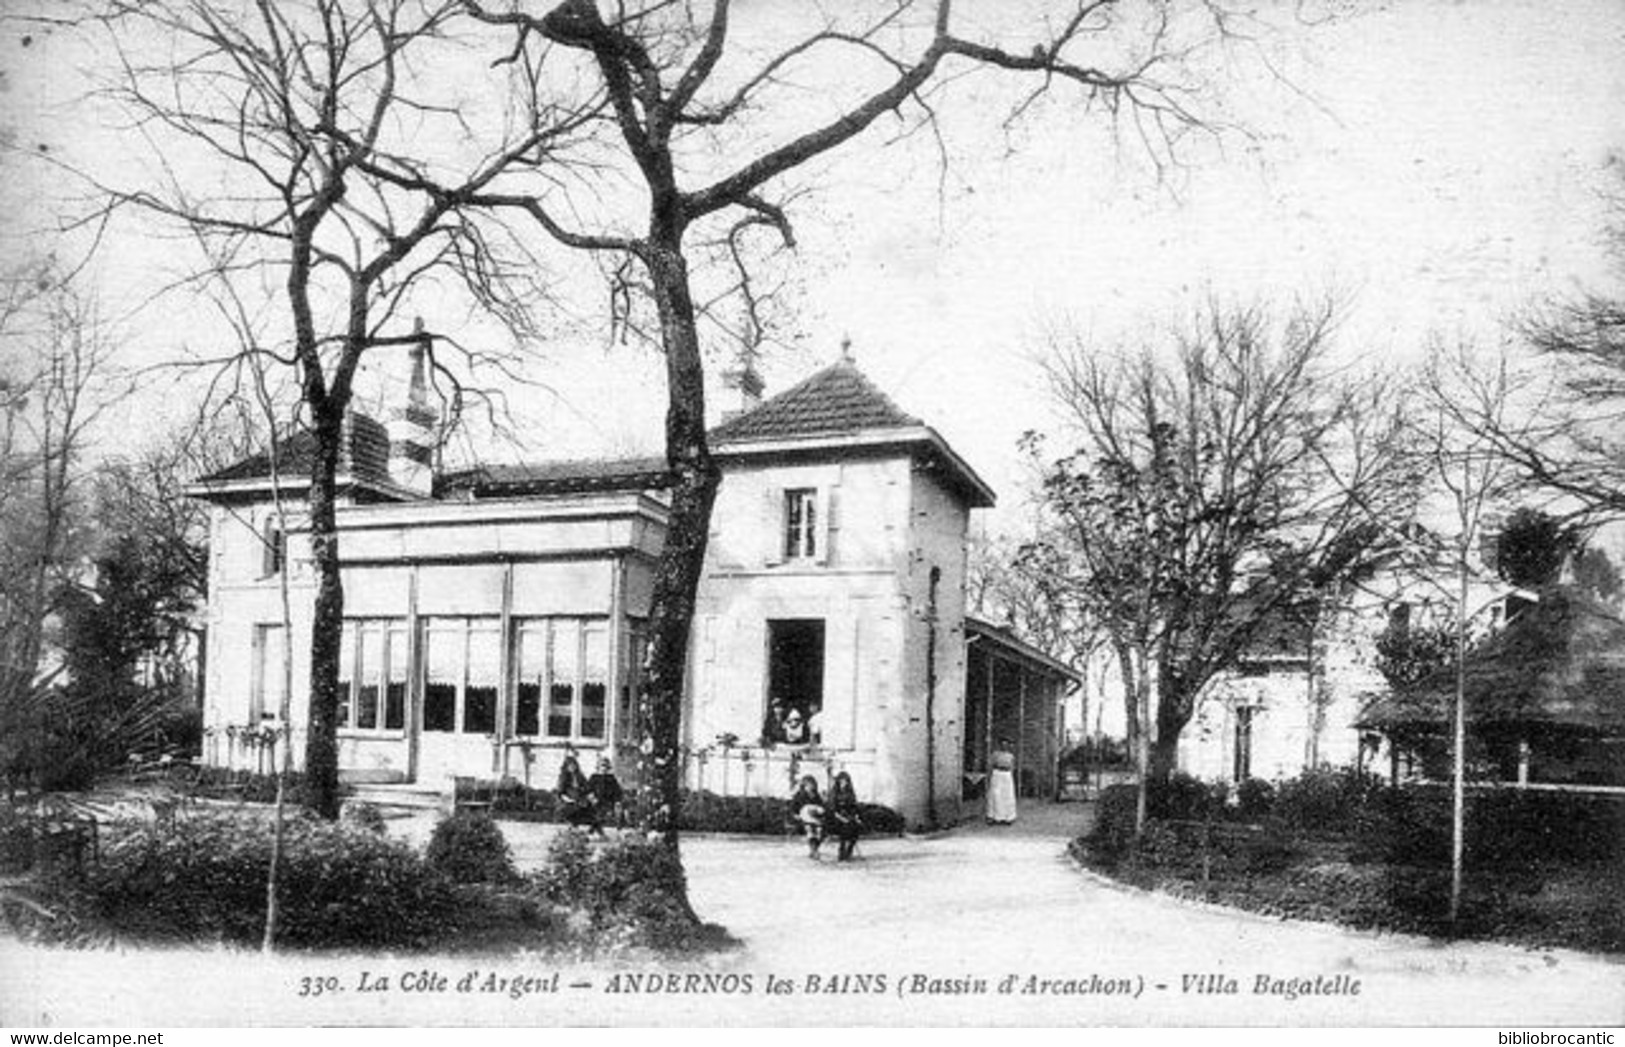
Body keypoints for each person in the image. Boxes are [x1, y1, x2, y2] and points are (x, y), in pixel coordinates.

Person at [826, 770, 863, 862]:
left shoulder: (850, 793)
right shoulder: (834, 793)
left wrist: (856, 817)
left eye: (846, 781)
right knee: (845, 828)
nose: (844, 783)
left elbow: (854, 807)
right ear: (838, 782)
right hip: (836, 818)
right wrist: (842, 818)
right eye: (842, 781)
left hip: (848, 816)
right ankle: (842, 852)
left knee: (856, 827)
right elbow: (832, 809)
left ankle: (849, 850)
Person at [789, 774, 825, 859]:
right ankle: (814, 850)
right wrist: (796, 815)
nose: (810, 786)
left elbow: (821, 807)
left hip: (815, 819)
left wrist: (820, 811)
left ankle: (814, 849)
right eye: (808, 784)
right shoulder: (799, 795)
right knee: (809, 829)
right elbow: (793, 808)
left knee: (820, 830)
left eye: (812, 784)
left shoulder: (817, 796)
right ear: (804, 785)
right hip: (802, 820)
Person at [556, 753, 595, 830]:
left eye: (574, 765)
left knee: (592, 810)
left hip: (580, 799)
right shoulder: (563, 777)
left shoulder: (580, 776)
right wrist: (569, 800)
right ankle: (573, 828)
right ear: (566, 767)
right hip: (567, 801)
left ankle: (596, 831)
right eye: (570, 766)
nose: (572, 767)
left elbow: (587, 787)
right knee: (573, 810)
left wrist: (591, 795)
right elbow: (561, 793)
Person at [587, 756, 625, 833]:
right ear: (598, 767)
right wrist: (592, 797)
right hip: (595, 801)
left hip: (608, 801)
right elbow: (588, 789)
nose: (603, 768)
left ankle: (597, 827)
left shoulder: (611, 778)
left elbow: (617, 791)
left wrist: (617, 800)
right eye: (602, 766)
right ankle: (595, 827)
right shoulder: (594, 777)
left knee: (612, 810)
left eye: (605, 766)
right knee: (595, 810)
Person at [986, 738, 1018, 825]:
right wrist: (989, 776)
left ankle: (1007, 817)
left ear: (1007, 746)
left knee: (1007, 795)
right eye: (1002, 744)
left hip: (1006, 775)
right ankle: (993, 817)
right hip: (997, 774)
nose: (1004, 746)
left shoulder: (1010, 756)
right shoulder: (995, 754)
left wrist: (1010, 777)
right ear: (999, 745)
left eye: (1006, 745)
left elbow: (1012, 767)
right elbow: (991, 765)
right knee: (996, 794)